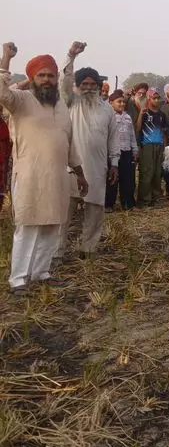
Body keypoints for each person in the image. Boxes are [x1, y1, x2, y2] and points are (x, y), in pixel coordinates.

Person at [0, 42, 89, 295]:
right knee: (28, 226)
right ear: (32, 78)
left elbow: (68, 144)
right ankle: (18, 280)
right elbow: (1, 93)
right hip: (30, 176)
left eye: (50, 75)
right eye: (41, 75)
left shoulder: (61, 107)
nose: (47, 80)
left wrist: (80, 174)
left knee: (52, 225)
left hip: (58, 176)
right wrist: (6, 58)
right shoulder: (21, 100)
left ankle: (41, 273)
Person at [57, 48, 120, 259]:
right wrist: (71, 56)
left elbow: (113, 138)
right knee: (64, 212)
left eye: (93, 84)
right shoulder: (70, 102)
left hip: (97, 167)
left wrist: (114, 163)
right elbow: (64, 80)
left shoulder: (107, 109)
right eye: (84, 84)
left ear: (99, 86)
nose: (89, 88)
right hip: (70, 167)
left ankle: (88, 249)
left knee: (95, 210)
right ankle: (57, 252)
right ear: (77, 86)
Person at [105, 90, 138, 211]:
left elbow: (132, 134)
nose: (122, 104)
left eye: (123, 102)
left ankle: (128, 203)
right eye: (119, 102)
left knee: (127, 178)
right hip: (113, 152)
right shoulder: (108, 117)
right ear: (111, 103)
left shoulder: (127, 117)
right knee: (112, 178)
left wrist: (134, 149)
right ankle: (109, 204)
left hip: (126, 151)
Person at [136, 88, 168, 207]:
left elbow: (164, 133)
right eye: (154, 98)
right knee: (146, 173)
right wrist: (140, 114)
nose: (157, 100)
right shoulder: (144, 113)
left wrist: (164, 148)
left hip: (159, 145)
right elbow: (138, 128)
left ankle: (155, 198)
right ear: (149, 99)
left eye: (158, 98)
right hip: (147, 145)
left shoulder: (162, 115)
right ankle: (144, 200)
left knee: (157, 172)